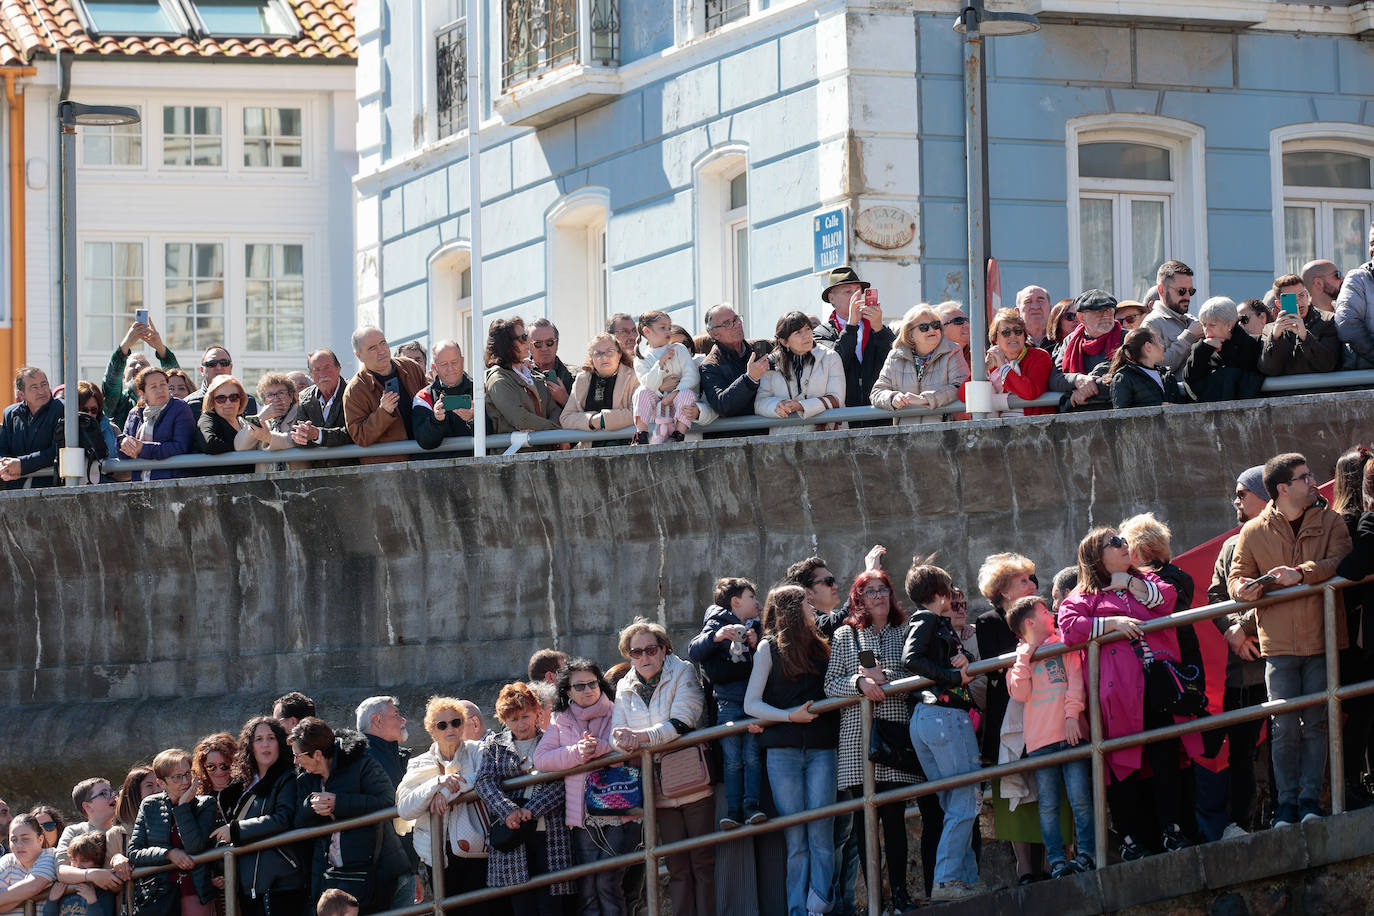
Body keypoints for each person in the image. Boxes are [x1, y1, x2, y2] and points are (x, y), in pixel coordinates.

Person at [1229, 453, 1352, 825]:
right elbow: (1235, 578)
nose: (1313, 481)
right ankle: (1286, 806)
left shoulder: (1331, 520)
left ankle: (1311, 801)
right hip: (1278, 644)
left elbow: (1342, 561)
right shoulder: (1252, 531)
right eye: (1305, 477)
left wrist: (1300, 574)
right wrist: (1247, 589)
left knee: (1316, 722)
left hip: (1322, 637)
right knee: (1282, 727)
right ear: (1283, 488)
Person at [1058, 528, 1190, 858]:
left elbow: (1166, 600)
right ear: (1095, 556)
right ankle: (1131, 841)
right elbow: (1070, 627)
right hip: (1116, 692)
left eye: (1123, 540)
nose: (1124, 545)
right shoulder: (1083, 595)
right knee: (1120, 764)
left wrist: (1128, 582)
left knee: (1165, 755)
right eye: (1114, 543)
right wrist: (1113, 624)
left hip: (1157, 683)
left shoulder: (1145, 581)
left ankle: (1172, 831)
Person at [822, 571, 918, 914]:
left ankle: (902, 896)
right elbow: (830, 684)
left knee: (894, 822)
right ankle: (876, 899)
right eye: (869, 591)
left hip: (893, 734)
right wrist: (858, 682)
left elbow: (916, 674)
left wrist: (885, 680)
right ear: (858, 598)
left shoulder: (904, 630)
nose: (877, 596)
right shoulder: (846, 634)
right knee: (865, 828)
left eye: (883, 590)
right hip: (856, 741)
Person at [743, 585, 840, 916]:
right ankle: (799, 910)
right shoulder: (768, 648)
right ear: (791, 609)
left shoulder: (824, 645)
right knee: (797, 839)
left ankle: (820, 907)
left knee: (822, 835)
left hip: (822, 748)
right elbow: (751, 704)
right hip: (782, 751)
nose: (813, 608)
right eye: (807, 603)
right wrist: (788, 716)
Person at [610, 619, 714, 916]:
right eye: (636, 652)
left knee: (703, 862)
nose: (644, 657)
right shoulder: (624, 685)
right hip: (656, 787)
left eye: (650, 649)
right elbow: (617, 733)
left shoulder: (682, 671)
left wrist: (639, 738)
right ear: (628, 655)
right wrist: (621, 740)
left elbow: (683, 721)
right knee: (677, 865)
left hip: (692, 780)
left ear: (664, 649)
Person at [901, 562, 985, 901]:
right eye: (948, 590)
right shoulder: (929, 619)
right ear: (939, 593)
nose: (951, 597)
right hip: (944, 717)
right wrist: (954, 677)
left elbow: (930, 658)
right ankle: (949, 880)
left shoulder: (932, 623)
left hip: (931, 719)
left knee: (957, 803)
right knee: (965, 801)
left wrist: (961, 660)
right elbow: (912, 659)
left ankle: (964, 878)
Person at [534, 660, 638, 916]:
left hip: (618, 812)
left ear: (600, 684)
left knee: (607, 882)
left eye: (592, 683)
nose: (587, 690)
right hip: (582, 817)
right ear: (568, 691)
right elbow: (541, 759)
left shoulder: (618, 709)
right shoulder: (560, 719)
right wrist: (577, 753)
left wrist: (596, 749)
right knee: (588, 887)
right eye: (579, 686)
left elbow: (624, 741)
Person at [1005, 596, 1095, 879]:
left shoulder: (1063, 642)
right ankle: (1056, 861)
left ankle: (1087, 854)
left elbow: (1076, 680)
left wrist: (1072, 716)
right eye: (1045, 611)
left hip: (1070, 734)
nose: (1052, 613)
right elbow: (1018, 693)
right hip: (1040, 743)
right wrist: (1025, 655)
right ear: (1030, 623)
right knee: (1049, 804)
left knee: (1080, 798)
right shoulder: (1021, 656)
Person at [972, 552, 1045, 884]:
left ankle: (1047, 862)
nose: (1032, 584)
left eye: (1031, 578)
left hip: (1043, 709)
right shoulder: (988, 621)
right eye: (1023, 580)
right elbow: (996, 665)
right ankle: (1025, 867)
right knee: (1014, 791)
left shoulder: (1042, 614)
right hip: (1007, 715)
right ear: (1003, 590)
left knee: (1045, 785)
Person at [291, 717, 410, 914]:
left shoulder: (361, 762)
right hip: (332, 875)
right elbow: (298, 822)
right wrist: (311, 806)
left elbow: (387, 801)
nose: (295, 761)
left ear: (318, 754)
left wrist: (339, 803)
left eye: (298, 755)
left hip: (375, 872)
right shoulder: (305, 778)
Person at [1208, 466, 1270, 834]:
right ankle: (1239, 822)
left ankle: (1283, 813)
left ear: (1264, 494)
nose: (1236, 500)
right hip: (1241, 670)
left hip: (1282, 654)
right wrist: (1231, 630)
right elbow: (1215, 595)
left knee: (1285, 739)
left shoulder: (1283, 535)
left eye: (1242, 493)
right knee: (1241, 750)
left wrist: (1245, 629)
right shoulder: (1230, 545)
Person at [476, 683, 574, 916]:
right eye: (513, 719)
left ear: (537, 712)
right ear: (504, 720)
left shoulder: (551, 739)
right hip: (514, 833)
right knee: (522, 904)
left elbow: (561, 781)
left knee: (551, 903)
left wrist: (532, 809)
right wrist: (508, 810)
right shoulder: (495, 745)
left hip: (550, 832)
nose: (521, 724)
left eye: (525, 716)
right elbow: (484, 781)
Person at [395, 697, 490, 916]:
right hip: (436, 852)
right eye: (442, 725)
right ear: (432, 730)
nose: (450, 728)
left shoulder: (478, 751)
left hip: (476, 845)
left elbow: (485, 777)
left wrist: (447, 791)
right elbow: (405, 807)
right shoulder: (419, 763)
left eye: (456, 722)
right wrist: (436, 784)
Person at [208, 717, 309, 916]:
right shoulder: (242, 785)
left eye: (271, 738)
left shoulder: (288, 777)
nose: (265, 744)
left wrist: (235, 830)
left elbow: (282, 819)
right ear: (250, 746)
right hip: (249, 886)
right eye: (259, 739)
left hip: (282, 883)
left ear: (280, 743)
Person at [688, 577, 765, 830]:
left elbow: (759, 666)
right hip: (729, 704)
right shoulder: (716, 623)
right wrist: (716, 637)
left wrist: (755, 646)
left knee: (752, 757)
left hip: (753, 702)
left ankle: (752, 806)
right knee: (732, 759)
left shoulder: (755, 626)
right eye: (752, 597)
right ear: (736, 601)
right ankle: (733, 810)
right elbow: (694, 651)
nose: (758, 602)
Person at [127, 748, 221, 916]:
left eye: (187, 774)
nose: (185, 781)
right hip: (159, 896)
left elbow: (196, 847)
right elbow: (134, 852)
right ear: (161, 783)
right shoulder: (149, 805)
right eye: (177, 777)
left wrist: (183, 807)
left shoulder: (206, 804)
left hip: (195, 892)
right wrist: (168, 854)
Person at [355, 696, 418, 911]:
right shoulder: (359, 758)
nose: (403, 720)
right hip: (377, 871)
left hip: (402, 867)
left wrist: (413, 869)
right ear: (377, 720)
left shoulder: (393, 755)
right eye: (396, 715)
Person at [812, 266, 896, 414]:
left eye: (859, 291)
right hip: (842, 414)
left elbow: (896, 360)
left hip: (879, 412)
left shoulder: (875, 327)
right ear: (832, 298)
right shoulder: (821, 333)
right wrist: (851, 326)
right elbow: (835, 362)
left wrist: (879, 329)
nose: (856, 296)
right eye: (848, 291)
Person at [869, 304, 967, 425]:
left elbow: (960, 387)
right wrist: (893, 398)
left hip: (943, 434)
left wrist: (925, 399)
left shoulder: (953, 351)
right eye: (924, 327)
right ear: (910, 334)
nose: (932, 330)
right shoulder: (895, 356)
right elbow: (877, 392)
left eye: (936, 325)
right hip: (905, 437)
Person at [343, 326, 428, 464]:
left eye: (383, 343)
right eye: (373, 348)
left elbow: (431, 401)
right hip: (388, 470)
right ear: (359, 356)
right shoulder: (355, 390)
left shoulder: (410, 367)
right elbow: (360, 436)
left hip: (426, 457)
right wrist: (383, 412)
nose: (381, 351)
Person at [755, 311, 846, 432]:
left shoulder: (830, 357)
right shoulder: (771, 362)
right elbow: (760, 402)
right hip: (784, 440)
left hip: (826, 438)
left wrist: (801, 406)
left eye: (808, 329)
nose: (807, 335)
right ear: (784, 341)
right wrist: (778, 406)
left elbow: (837, 398)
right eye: (798, 332)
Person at [53, 778, 130, 904]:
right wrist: (91, 875)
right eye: (104, 793)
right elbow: (61, 871)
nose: (113, 795)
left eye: (111, 791)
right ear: (88, 806)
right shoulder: (73, 831)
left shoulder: (123, 830)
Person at [484, 318, 563, 437]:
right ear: (507, 344)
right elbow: (522, 419)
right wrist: (557, 431)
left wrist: (552, 433)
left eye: (526, 336)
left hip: (544, 451)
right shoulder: (498, 379)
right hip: (514, 454)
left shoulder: (534, 375)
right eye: (523, 338)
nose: (528, 342)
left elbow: (555, 410)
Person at [631, 310, 699, 445]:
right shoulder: (641, 359)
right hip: (657, 409)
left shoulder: (679, 349)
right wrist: (660, 363)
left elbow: (692, 376)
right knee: (641, 392)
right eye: (663, 328)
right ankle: (641, 434)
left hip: (679, 403)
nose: (668, 331)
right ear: (647, 332)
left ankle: (678, 434)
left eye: (669, 327)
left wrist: (674, 393)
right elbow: (648, 384)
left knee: (686, 394)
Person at [1180, 296, 1264, 402]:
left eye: (1212, 325)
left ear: (1229, 324)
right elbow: (1189, 378)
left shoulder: (1254, 345)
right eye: (1204, 325)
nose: (1206, 330)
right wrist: (1203, 349)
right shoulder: (1202, 348)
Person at [119, 368, 195, 481]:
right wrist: (123, 443)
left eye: (163, 384)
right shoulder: (134, 414)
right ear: (142, 393)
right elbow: (123, 453)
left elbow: (181, 447)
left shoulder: (180, 407)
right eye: (153, 387)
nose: (160, 390)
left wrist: (143, 449)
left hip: (172, 482)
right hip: (140, 482)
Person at [1050, 289, 1122, 410]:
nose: (1106, 316)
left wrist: (1086, 391)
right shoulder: (1070, 341)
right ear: (1081, 317)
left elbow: (1129, 376)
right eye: (1099, 312)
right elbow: (1055, 379)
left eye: (1109, 311)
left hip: (1118, 413)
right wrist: (1078, 379)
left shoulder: (1127, 338)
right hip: (1080, 416)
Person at [101, 318, 179, 429]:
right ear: (123, 376)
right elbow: (111, 383)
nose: (138, 367)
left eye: (143, 364)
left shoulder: (163, 396)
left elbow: (176, 378)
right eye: (132, 365)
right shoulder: (119, 402)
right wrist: (126, 343)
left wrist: (160, 347)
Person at [560, 334, 637, 444]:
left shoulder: (634, 377)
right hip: (590, 451)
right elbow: (565, 418)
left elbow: (637, 413)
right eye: (598, 353)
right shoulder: (582, 379)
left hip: (626, 446)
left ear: (619, 354)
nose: (604, 357)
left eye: (609, 351)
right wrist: (591, 420)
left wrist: (602, 419)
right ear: (591, 357)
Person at [1259, 274, 1342, 375]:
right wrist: (1275, 338)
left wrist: (1305, 337)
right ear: (1279, 304)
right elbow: (1268, 370)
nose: (1299, 302)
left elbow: (1328, 365)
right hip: (1285, 390)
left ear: (1307, 294)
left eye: (1301, 295)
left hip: (1319, 389)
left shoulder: (1328, 320)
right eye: (1291, 299)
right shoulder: (1269, 329)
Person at [698, 304, 770, 421]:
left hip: (773, 426)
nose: (737, 324)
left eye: (736, 319)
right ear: (714, 334)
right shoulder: (710, 365)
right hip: (740, 434)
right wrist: (750, 379)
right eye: (727, 323)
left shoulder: (762, 346)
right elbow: (722, 406)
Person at [981, 308, 1054, 417]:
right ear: (995, 338)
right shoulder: (991, 360)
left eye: (1018, 331)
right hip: (995, 428)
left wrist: (1003, 367)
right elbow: (963, 395)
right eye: (1006, 332)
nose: (1013, 336)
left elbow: (1031, 392)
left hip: (1033, 427)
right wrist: (982, 369)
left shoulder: (1039, 356)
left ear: (1024, 336)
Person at [412, 340, 478, 450]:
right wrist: (436, 420)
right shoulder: (423, 397)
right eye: (444, 364)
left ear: (462, 361)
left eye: (454, 362)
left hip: (480, 465)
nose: (450, 369)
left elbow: (495, 429)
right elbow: (424, 441)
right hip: (440, 466)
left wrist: (473, 418)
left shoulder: (481, 390)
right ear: (435, 367)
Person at [2, 367, 62, 489]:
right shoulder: (10, 413)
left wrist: (22, 465)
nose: (41, 391)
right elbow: (2, 449)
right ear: (21, 394)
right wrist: (4, 465)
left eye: (44, 384)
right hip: (14, 489)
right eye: (34, 387)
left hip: (50, 488)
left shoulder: (62, 408)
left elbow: (58, 450)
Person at [1103, 328, 1190, 409]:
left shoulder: (1166, 374)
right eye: (1159, 342)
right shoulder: (1123, 378)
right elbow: (1122, 413)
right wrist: (1157, 407)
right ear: (1148, 346)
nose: (1162, 346)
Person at [1140, 260, 1202, 372]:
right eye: (1182, 291)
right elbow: (1155, 369)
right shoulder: (1152, 323)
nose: (1188, 297)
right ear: (1162, 290)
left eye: (1191, 291)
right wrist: (1188, 338)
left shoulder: (1192, 320)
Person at [291, 350, 353, 458]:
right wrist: (301, 436)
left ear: (338, 368)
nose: (322, 374)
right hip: (318, 471)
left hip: (352, 470)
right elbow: (299, 440)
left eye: (327, 367)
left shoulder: (354, 391)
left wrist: (317, 434)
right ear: (310, 375)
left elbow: (355, 433)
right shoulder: (304, 397)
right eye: (316, 370)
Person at [236, 374, 303, 470]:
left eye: (281, 393)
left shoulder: (301, 414)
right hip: (266, 482)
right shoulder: (262, 419)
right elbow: (240, 446)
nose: (276, 399)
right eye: (270, 395)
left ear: (291, 396)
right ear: (265, 401)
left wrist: (268, 437)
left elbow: (297, 441)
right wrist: (261, 417)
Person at [1334, 222, 1374, 366]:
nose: (1373, 249)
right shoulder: (1357, 279)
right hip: (1363, 380)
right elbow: (1347, 325)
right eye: (1372, 243)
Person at [1, 814, 56, 915]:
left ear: (40, 839)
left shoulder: (51, 855)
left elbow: (33, 887)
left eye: (25, 838)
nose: (19, 845)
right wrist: (27, 895)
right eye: (14, 840)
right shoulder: (7, 860)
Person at [184, 348, 258, 422]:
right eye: (212, 364)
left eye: (224, 363)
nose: (219, 368)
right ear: (202, 370)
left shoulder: (248, 401)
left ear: (231, 367)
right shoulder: (189, 405)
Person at [190, 734, 243, 826]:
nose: (219, 772)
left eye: (224, 766)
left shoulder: (247, 792)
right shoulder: (196, 798)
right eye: (211, 767)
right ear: (203, 768)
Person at [106, 768, 158, 862]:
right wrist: (116, 859)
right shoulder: (117, 835)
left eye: (159, 784)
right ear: (134, 793)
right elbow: (107, 873)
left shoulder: (173, 822)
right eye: (149, 785)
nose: (158, 790)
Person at [75, 382, 121, 470]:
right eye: (84, 410)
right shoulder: (66, 431)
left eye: (94, 410)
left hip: (108, 482)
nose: (89, 414)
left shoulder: (113, 430)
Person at [530, 319, 574, 409]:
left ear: (556, 343)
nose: (544, 348)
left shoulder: (578, 377)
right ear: (528, 346)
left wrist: (565, 400)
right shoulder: (522, 376)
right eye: (537, 344)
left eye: (549, 342)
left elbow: (586, 416)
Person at [1015, 285, 1054, 350]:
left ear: (1050, 309)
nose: (1035, 307)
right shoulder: (1010, 343)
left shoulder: (1062, 340)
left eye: (1040, 301)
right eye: (1028, 302)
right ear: (1017, 312)